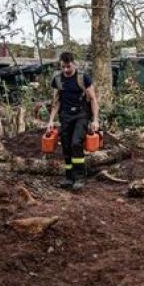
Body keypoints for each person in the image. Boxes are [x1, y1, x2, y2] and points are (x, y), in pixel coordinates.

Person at [46, 52, 100, 190]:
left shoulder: (83, 78)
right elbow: (56, 101)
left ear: (74, 63)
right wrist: (51, 121)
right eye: (63, 67)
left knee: (76, 143)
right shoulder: (57, 80)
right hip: (65, 116)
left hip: (81, 115)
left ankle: (80, 177)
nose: (65, 70)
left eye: (68, 66)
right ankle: (69, 177)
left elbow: (93, 99)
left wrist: (95, 120)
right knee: (66, 146)